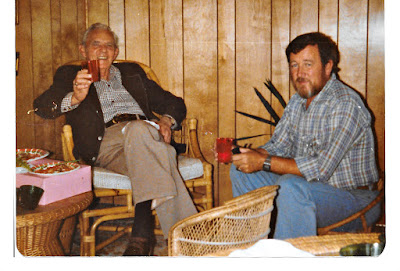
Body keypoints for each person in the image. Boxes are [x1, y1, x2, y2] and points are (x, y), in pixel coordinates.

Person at [34, 23, 197, 255]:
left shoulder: (132, 74)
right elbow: (41, 106)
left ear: (116, 52)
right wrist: (75, 97)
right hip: (105, 145)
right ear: (83, 50)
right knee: (158, 147)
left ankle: (150, 239)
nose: (103, 50)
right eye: (96, 44)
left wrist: (167, 121)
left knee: (145, 139)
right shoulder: (70, 75)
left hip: (144, 141)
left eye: (109, 45)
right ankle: (177, 235)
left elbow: (174, 103)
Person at [229, 32, 381, 239]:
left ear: (328, 67)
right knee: (240, 171)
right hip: (311, 190)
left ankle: (289, 260)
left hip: (355, 200)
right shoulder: (297, 102)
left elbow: (320, 169)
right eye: (294, 65)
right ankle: (253, 246)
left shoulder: (345, 104)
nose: (300, 73)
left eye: (308, 64)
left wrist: (262, 161)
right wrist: (246, 155)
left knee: (291, 186)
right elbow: (277, 146)